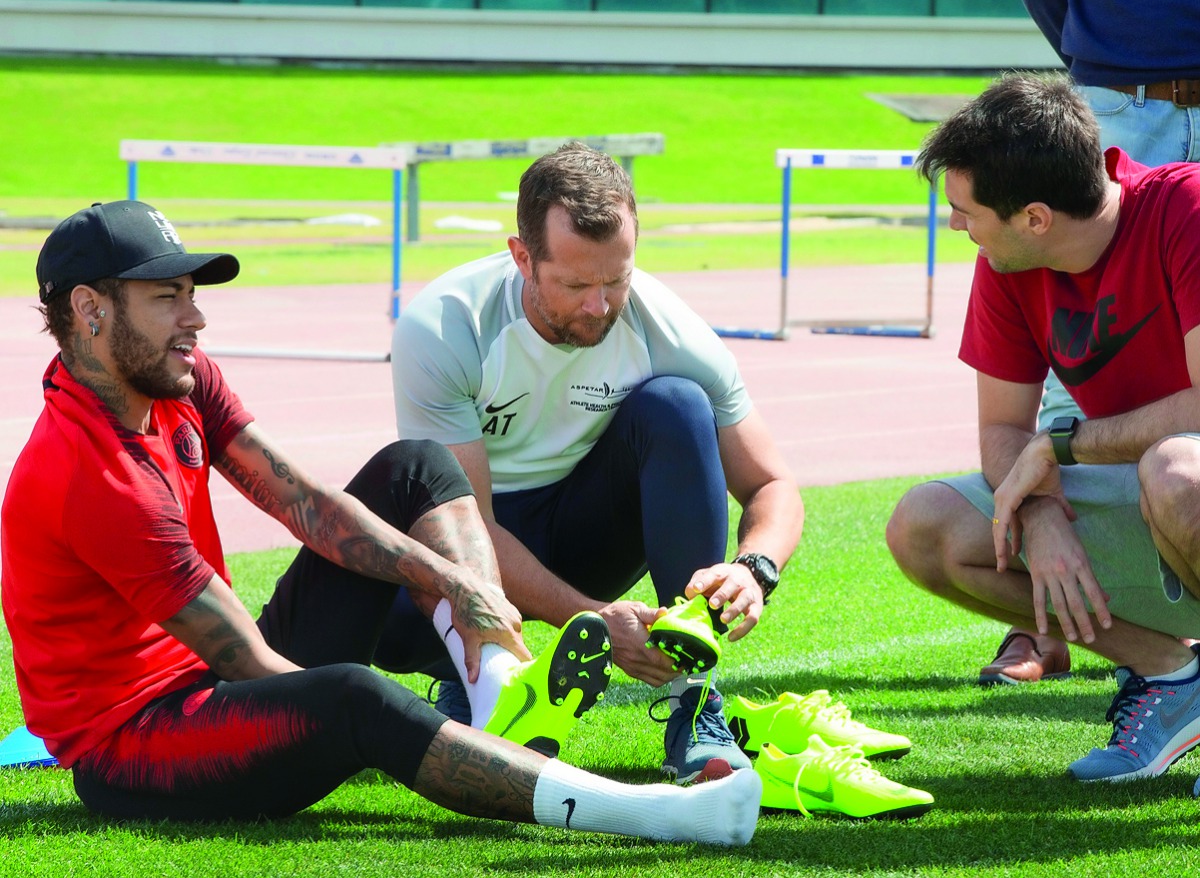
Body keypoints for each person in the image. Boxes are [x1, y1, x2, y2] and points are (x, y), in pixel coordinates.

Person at [0, 199, 762, 844]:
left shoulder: (181, 381)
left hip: (209, 686)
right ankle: (661, 815)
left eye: (191, 293)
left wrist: (452, 583)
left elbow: (306, 502)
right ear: (90, 310)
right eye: (168, 297)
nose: (196, 317)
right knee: (353, 697)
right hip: (143, 745)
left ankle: (500, 691)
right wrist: (368, 722)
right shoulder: (88, 474)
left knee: (416, 465)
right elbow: (248, 667)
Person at [384, 142, 807, 784]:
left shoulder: (670, 330)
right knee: (372, 610)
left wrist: (755, 568)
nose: (601, 305)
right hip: (470, 545)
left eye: (618, 278)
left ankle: (694, 705)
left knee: (676, 406)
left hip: (586, 526)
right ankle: (472, 672)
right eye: (577, 283)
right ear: (522, 256)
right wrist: (595, 619)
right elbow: (463, 529)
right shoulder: (445, 328)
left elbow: (772, 483)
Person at [885, 74, 1200, 783]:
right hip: (1146, 494)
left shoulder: (1187, 206)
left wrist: (1062, 447)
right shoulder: (1008, 261)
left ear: (1035, 217)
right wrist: (1043, 516)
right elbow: (1001, 432)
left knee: (1176, 467)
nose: (959, 226)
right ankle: (1173, 676)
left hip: (1185, 480)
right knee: (925, 525)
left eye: (967, 212)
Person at [978, 0, 1200, 686]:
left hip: (1117, 86)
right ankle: (1045, 612)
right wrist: (1097, 56)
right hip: (1119, 95)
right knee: (1069, 344)